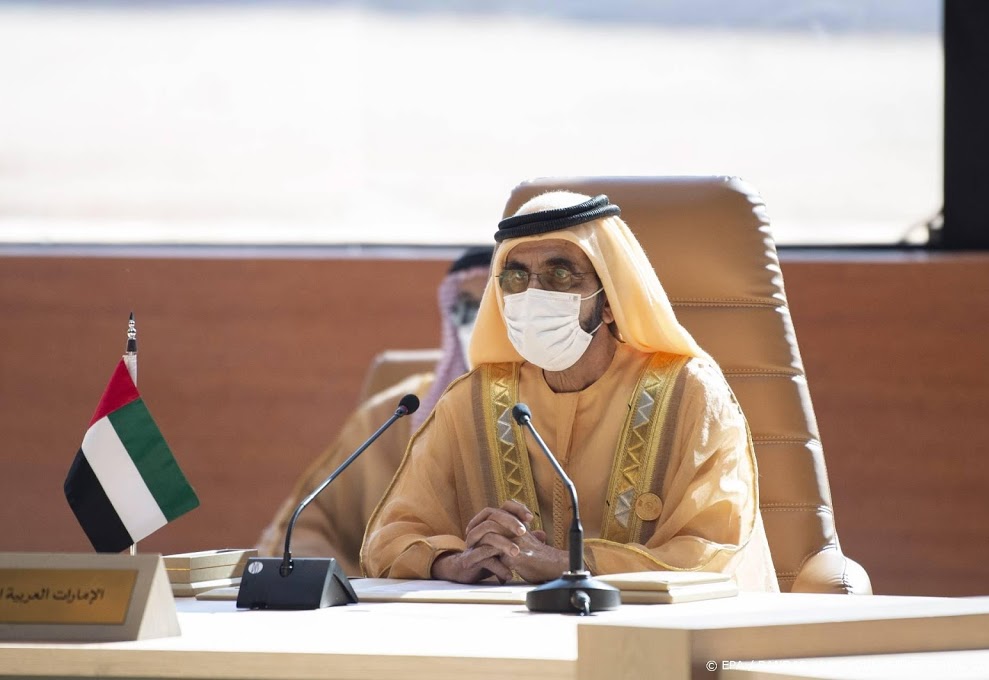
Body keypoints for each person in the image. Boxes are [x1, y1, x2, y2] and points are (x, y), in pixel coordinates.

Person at [361, 192, 779, 591]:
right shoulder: (471, 402)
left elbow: (713, 553)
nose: (533, 295)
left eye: (560, 275)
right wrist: (453, 562)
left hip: (651, 633)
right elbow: (389, 540)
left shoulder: (690, 394)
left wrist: (572, 565)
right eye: (516, 277)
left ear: (610, 301)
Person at [256, 246, 493, 576]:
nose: (475, 321)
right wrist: (354, 590)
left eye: (487, 305)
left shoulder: (551, 409)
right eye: (466, 307)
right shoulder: (395, 413)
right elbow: (309, 527)